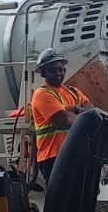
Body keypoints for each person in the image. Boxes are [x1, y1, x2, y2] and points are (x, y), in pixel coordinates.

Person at [10, 50, 93, 192]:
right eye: (53, 70)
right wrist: (80, 113)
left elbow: (92, 113)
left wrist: (75, 109)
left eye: (61, 69)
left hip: (77, 155)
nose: (58, 73)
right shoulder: (42, 94)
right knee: (62, 200)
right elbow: (65, 119)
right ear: (43, 73)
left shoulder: (74, 92)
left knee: (79, 199)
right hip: (54, 158)